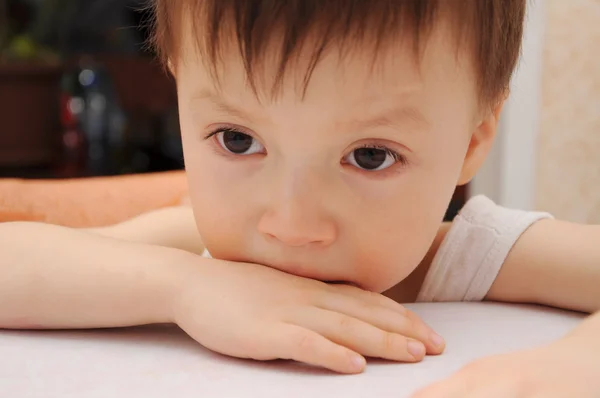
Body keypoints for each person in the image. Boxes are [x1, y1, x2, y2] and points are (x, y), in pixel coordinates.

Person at [1, 1, 599, 396]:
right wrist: (182, 286)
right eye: (238, 141)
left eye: (370, 156)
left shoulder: (470, 258)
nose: (291, 223)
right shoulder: (199, 256)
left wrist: (570, 369)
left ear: (470, 143)